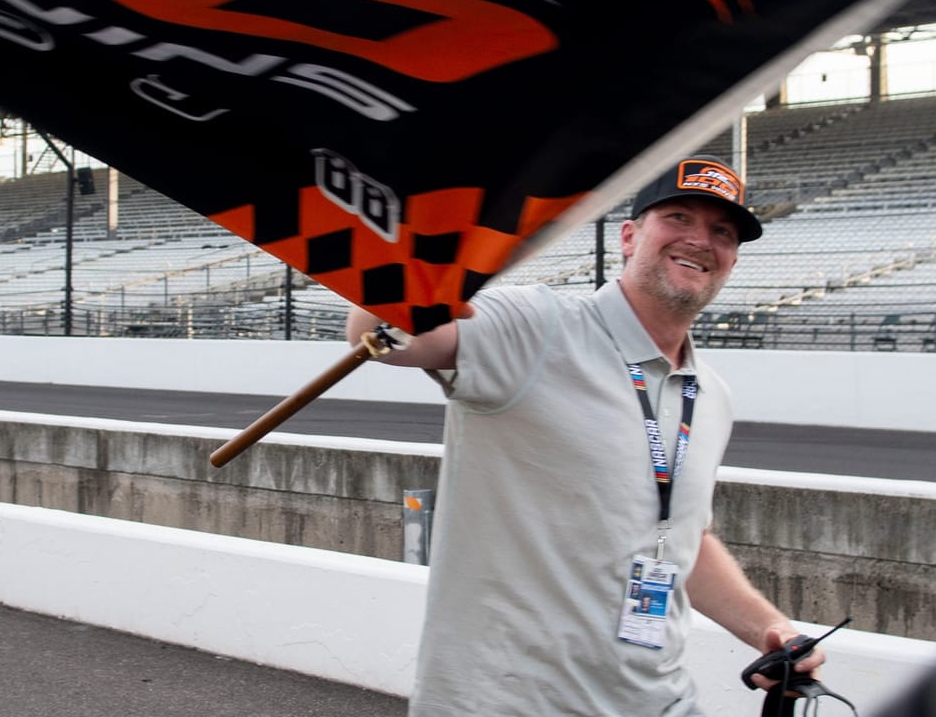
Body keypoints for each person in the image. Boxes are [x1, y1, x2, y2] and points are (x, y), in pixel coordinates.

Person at [345, 158, 824, 716]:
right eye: (677, 216)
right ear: (628, 236)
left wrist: (767, 626)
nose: (700, 240)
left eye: (723, 232)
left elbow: (680, 540)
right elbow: (384, 337)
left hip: (660, 702)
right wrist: (453, 236)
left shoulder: (710, 394)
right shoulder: (533, 325)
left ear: (733, 260)